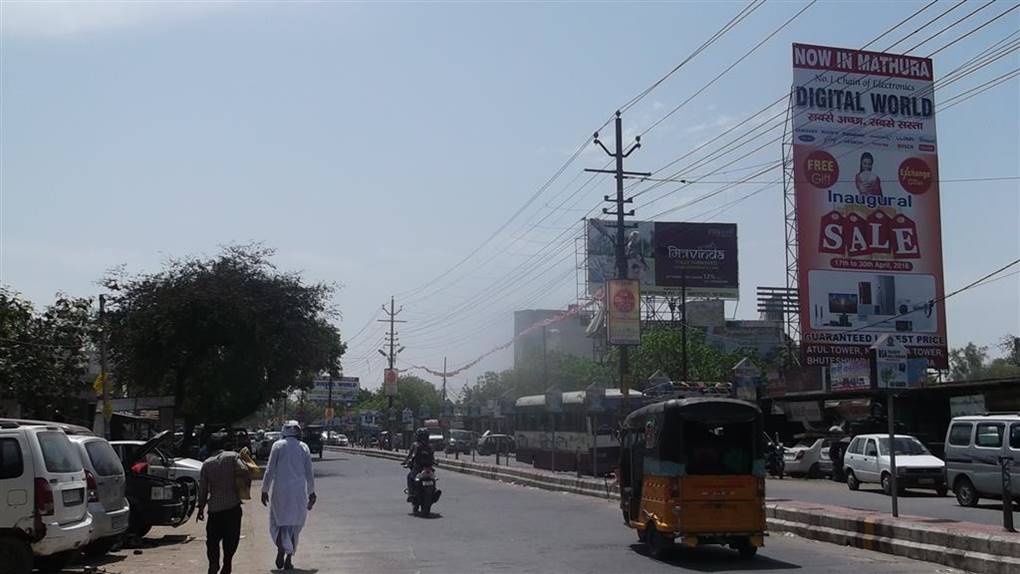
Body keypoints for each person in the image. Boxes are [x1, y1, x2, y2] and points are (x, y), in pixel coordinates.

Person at [261, 420, 316, 571]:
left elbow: (269, 470)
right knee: (293, 526)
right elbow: (309, 473)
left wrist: (264, 489)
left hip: (280, 492)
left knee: (278, 523)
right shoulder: (304, 447)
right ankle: (288, 557)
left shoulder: (278, 445)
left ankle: (281, 550)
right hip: (298, 493)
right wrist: (312, 492)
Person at [196, 433, 250, 574]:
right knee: (231, 538)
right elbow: (244, 470)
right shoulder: (232, 457)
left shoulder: (207, 464)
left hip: (214, 510)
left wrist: (201, 508)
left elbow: (203, 490)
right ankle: (227, 562)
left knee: (212, 541)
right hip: (232, 507)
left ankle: (213, 563)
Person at [403, 428, 434, 502]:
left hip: (418, 468)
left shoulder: (415, 445)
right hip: (428, 467)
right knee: (433, 478)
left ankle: (411, 493)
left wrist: (405, 462)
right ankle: (434, 491)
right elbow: (433, 457)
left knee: (410, 477)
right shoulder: (430, 446)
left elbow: (410, 455)